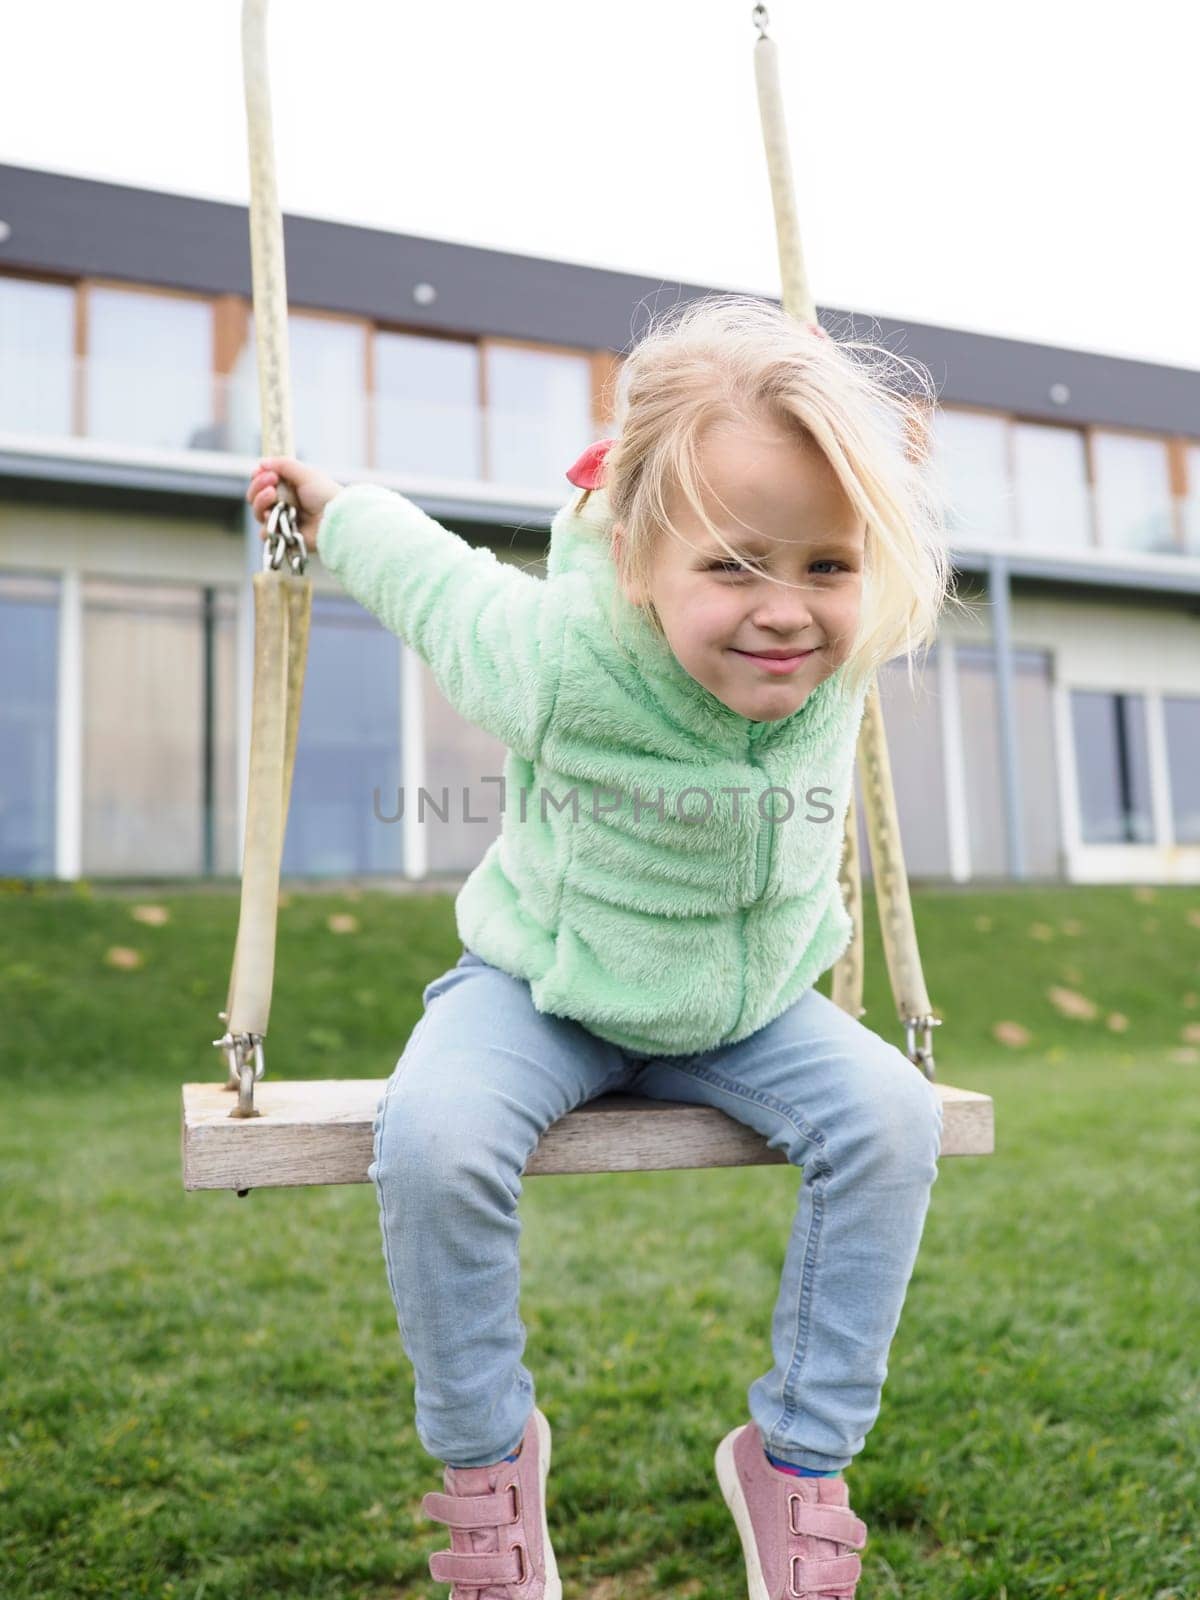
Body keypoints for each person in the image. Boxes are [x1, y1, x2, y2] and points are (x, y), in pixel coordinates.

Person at [246, 293, 964, 1600]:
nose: (785, 612)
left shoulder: (842, 650)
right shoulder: (560, 658)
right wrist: (337, 504)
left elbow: (872, 501)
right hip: (541, 990)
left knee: (894, 1119)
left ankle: (795, 1466)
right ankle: (488, 1471)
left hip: (748, 1008)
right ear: (637, 556)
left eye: (823, 567)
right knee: (435, 1139)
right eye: (734, 567)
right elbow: (438, 586)